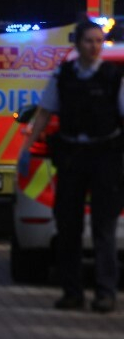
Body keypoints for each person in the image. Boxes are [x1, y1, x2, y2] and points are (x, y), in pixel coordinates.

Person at [20, 20, 124, 313]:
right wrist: (27, 147)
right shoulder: (63, 75)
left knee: (104, 228)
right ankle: (72, 292)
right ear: (77, 44)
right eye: (89, 41)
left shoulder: (112, 78)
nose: (94, 46)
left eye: (99, 41)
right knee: (69, 228)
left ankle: (105, 293)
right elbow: (44, 112)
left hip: (104, 157)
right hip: (72, 157)